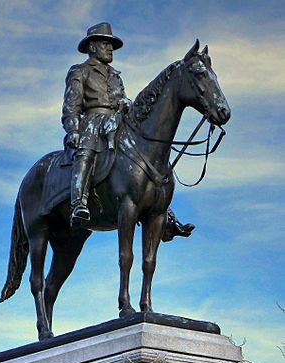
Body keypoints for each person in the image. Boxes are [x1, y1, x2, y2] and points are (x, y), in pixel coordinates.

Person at [62, 22, 195, 240]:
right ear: (92, 47)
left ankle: (163, 211)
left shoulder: (115, 75)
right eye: (106, 43)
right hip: (92, 123)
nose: (110, 48)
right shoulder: (80, 71)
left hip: (118, 120)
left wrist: (125, 103)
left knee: (145, 153)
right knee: (86, 149)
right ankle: (78, 202)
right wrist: (73, 130)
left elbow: (118, 99)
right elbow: (71, 106)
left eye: (111, 44)